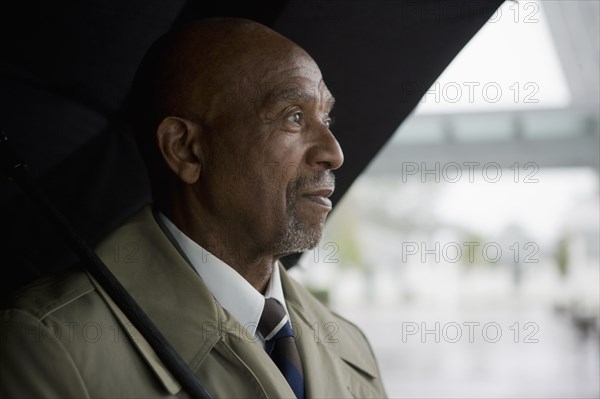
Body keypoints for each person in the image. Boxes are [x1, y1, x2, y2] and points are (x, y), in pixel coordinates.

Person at [0, 18, 387, 398]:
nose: (333, 152)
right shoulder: (49, 345)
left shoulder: (351, 348)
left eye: (326, 118)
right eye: (294, 117)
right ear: (185, 149)